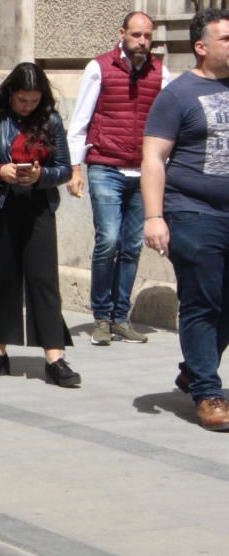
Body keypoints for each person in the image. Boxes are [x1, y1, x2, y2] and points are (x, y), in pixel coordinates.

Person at [0, 63, 81, 387]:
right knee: (0, 281)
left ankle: (55, 357)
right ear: (10, 94)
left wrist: (42, 175)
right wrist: (0, 172)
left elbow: (65, 169)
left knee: (44, 281)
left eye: (33, 100)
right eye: (22, 100)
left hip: (37, 209)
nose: (27, 106)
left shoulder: (50, 121)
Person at [142, 8, 229, 430]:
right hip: (193, 210)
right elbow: (154, 158)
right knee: (203, 299)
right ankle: (208, 394)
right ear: (201, 47)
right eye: (226, 38)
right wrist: (154, 216)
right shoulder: (177, 94)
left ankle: (195, 369)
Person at [67, 11, 168, 346]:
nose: (142, 41)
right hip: (105, 166)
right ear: (122, 33)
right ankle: (101, 317)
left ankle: (120, 317)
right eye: (137, 35)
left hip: (142, 171)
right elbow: (80, 119)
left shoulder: (159, 71)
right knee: (108, 239)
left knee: (132, 245)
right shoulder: (100, 67)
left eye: (147, 36)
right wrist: (75, 167)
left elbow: (171, 118)